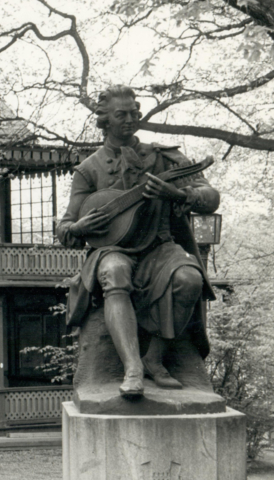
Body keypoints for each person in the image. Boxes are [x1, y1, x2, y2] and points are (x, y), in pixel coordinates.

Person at [57, 85, 219, 398]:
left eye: (134, 112)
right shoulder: (89, 169)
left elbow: (210, 197)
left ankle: (154, 358)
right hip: (111, 250)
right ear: (105, 120)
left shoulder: (164, 158)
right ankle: (132, 367)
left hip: (160, 247)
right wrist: (79, 226)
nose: (130, 119)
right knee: (115, 272)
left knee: (190, 279)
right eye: (121, 115)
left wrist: (180, 195)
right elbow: (65, 229)